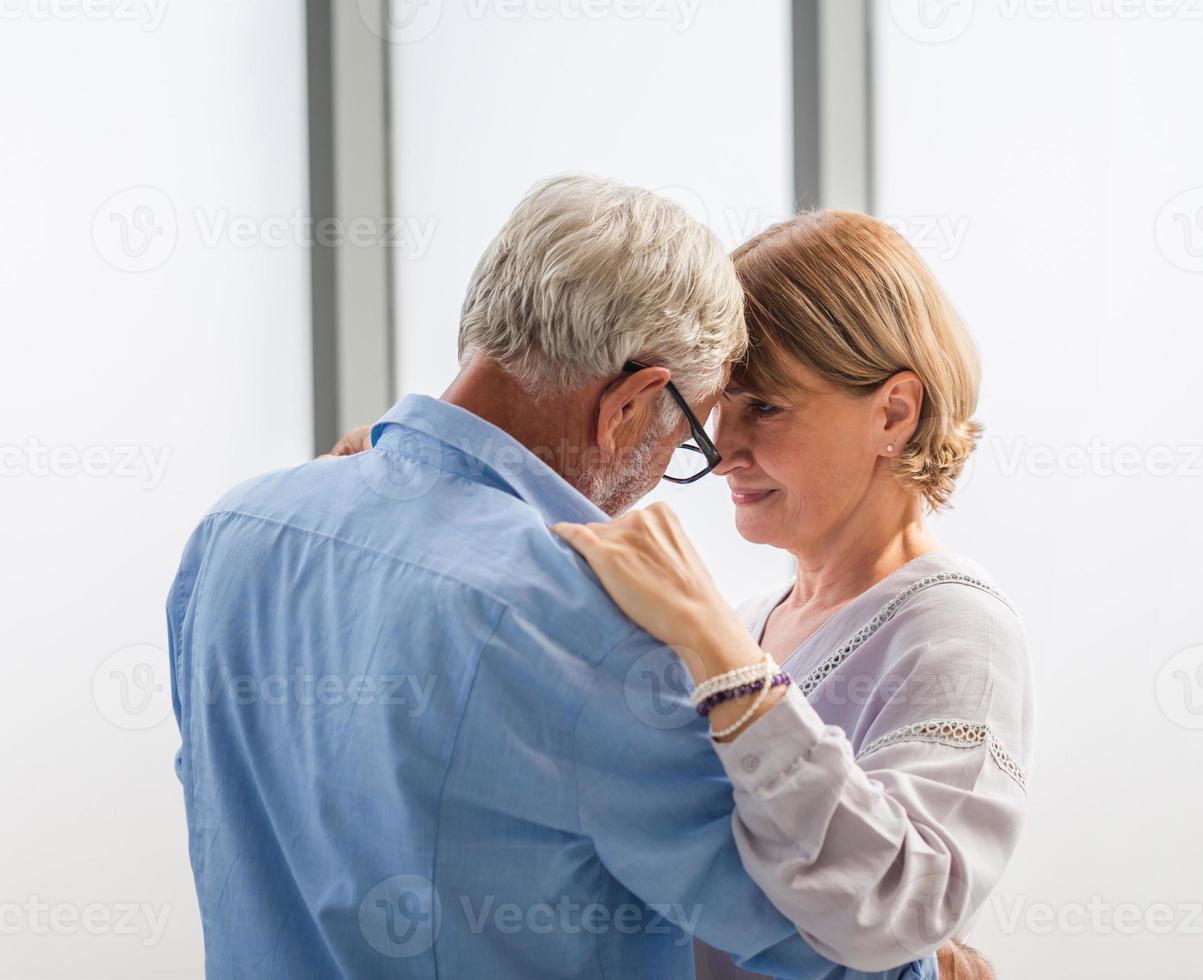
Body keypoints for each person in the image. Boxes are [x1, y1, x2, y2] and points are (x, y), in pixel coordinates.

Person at [165, 175, 936, 979]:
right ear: (631, 405)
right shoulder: (584, 620)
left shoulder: (235, 533)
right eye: (685, 445)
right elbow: (809, 935)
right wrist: (933, 963)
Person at [551, 210, 1033, 980]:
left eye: (765, 408)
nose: (723, 455)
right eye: (719, 412)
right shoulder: (749, 624)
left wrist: (714, 646)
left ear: (894, 412)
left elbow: (896, 906)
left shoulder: (956, 630)